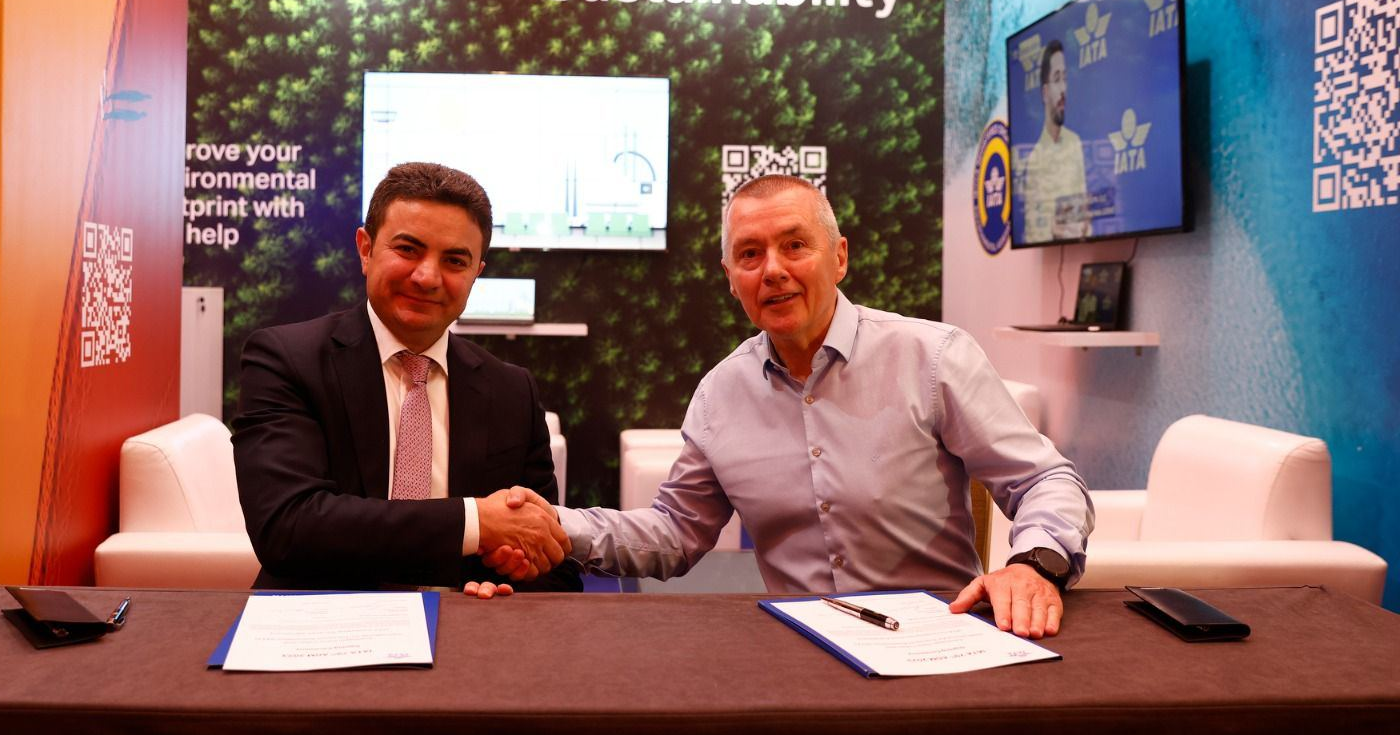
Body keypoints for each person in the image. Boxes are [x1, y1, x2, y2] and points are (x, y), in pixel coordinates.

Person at [498, 175, 1093, 637]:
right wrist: (554, 526)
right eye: (750, 254)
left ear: (840, 257)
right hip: (801, 652)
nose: (774, 270)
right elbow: (675, 532)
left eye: (795, 246)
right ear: (731, 277)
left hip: (939, 642)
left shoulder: (933, 358)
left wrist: (1033, 565)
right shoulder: (721, 395)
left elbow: (1045, 480)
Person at [232, 162, 577, 597]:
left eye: (455, 261)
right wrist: (475, 522)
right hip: (320, 621)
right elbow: (287, 527)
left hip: (466, 627)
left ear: (476, 273)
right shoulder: (286, 360)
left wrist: (517, 573)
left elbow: (553, 562)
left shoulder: (512, 391)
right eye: (408, 249)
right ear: (365, 249)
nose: (427, 277)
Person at [1022, 40, 1090, 243]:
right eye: (1057, 79)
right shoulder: (1034, 160)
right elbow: (1032, 234)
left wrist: (1085, 226)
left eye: (1065, 79)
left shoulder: (1075, 143)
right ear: (1044, 93)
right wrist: (1053, 231)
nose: (1063, 89)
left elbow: (1086, 214)